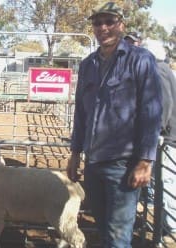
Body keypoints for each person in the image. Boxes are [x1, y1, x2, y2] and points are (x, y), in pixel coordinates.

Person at [66, 2, 163, 248]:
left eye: (109, 22)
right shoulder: (88, 64)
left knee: (119, 237)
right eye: (98, 23)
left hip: (124, 163)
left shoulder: (140, 59)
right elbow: (81, 112)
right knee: (104, 228)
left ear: (121, 25)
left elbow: (151, 112)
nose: (103, 27)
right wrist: (75, 153)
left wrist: (145, 161)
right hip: (93, 161)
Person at [142, 39, 176, 245]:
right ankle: (163, 223)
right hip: (168, 135)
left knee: (168, 182)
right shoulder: (163, 68)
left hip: (169, 138)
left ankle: (170, 229)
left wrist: (157, 131)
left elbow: (163, 104)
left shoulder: (158, 70)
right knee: (161, 181)